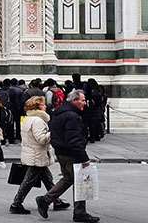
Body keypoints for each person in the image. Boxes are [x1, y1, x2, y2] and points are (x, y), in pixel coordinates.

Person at [35, 89, 99, 223]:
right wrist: (84, 158)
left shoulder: (58, 113)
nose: (84, 103)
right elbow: (74, 140)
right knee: (80, 181)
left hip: (61, 152)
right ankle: (80, 213)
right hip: (71, 153)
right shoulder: (72, 116)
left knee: (68, 178)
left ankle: (45, 199)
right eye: (82, 100)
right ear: (74, 100)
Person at [9, 95, 70, 216]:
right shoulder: (37, 121)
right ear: (37, 107)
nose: (45, 106)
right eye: (43, 105)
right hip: (37, 154)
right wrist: (54, 132)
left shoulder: (27, 118)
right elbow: (41, 139)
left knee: (48, 179)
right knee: (28, 181)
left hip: (32, 153)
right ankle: (16, 203)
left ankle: (56, 201)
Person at [84, 78, 104, 143]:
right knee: (96, 123)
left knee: (91, 124)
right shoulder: (99, 89)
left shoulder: (91, 91)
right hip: (97, 109)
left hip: (92, 109)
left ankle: (93, 137)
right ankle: (97, 135)